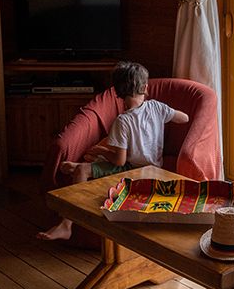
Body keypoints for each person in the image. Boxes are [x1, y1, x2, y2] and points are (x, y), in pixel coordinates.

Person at [37, 61, 189, 241]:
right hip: (155, 168)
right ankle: (79, 171)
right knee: (89, 163)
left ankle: (66, 225)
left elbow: (119, 161)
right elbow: (184, 118)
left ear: (117, 92)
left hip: (134, 170)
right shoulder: (157, 107)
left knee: (81, 171)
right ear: (145, 88)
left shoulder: (122, 121)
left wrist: (101, 149)